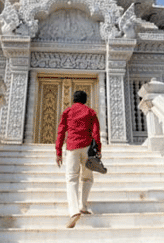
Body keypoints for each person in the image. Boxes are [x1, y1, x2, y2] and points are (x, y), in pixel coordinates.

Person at [55, 90, 101, 229]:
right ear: (85, 100)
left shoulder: (67, 112)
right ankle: (83, 206)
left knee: (72, 179)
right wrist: (98, 150)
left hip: (72, 148)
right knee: (87, 177)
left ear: (74, 100)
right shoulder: (91, 112)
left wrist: (58, 151)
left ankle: (74, 211)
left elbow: (61, 131)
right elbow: (96, 133)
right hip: (87, 148)